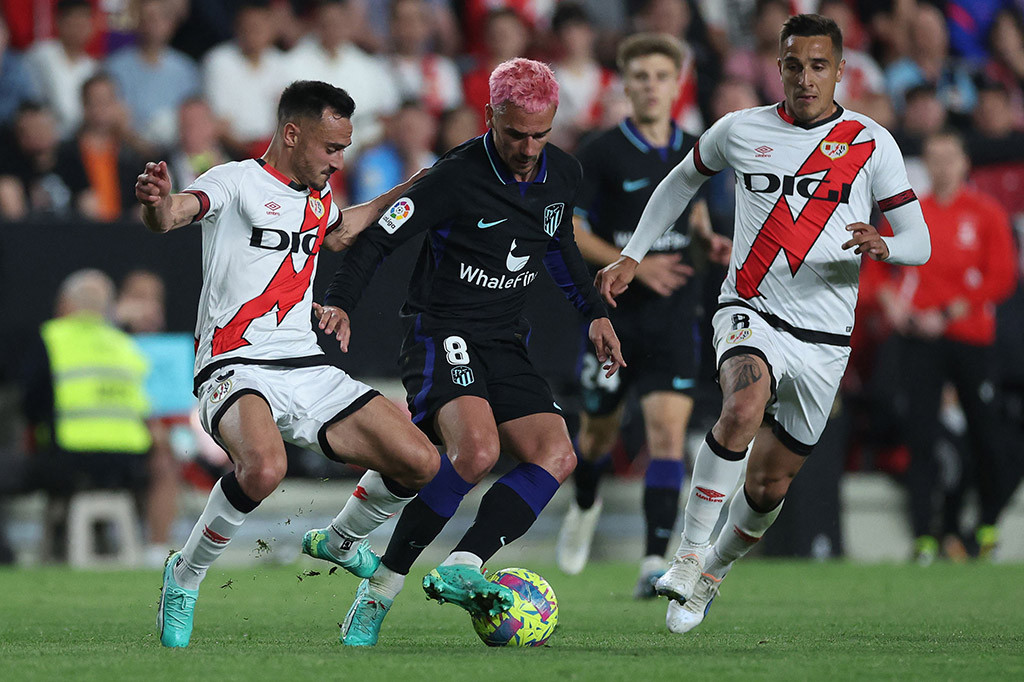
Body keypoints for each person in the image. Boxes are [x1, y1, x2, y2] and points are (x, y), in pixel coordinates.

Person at [597, 14, 931, 634]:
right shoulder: (740, 129)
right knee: (743, 402)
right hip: (752, 310)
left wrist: (886, 244)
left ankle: (712, 572)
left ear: (840, 70)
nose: (806, 77)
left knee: (769, 485)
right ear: (777, 67)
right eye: (794, 64)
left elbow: (921, 240)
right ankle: (688, 553)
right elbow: (679, 183)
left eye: (819, 65)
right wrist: (633, 253)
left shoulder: (870, 141)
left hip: (827, 338)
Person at [318, 57, 625, 647]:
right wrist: (341, 300)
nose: (528, 147)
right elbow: (379, 238)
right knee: (476, 450)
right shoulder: (454, 177)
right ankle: (378, 589)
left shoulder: (561, 173)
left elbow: (558, 247)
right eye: (515, 133)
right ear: (490, 117)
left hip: (505, 338)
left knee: (556, 454)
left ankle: (465, 562)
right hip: (441, 331)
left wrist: (595, 315)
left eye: (541, 133)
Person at [134, 79, 440, 648]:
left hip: (305, 366)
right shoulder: (235, 180)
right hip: (234, 365)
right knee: (265, 468)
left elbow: (350, 225)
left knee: (420, 461)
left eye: (345, 149)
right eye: (331, 148)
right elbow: (177, 212)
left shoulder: (320, 198)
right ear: (292, 133)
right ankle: (185, 574)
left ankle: (343, 540)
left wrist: (419, 185)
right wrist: (157, 204)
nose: (338, 160)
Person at [554, 33, 730, 597]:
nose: (651, 86)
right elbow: (572, 230)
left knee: (667, 434)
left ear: (677, 85)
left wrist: (709, 242)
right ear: (625, 85)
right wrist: (638, 263)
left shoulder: (696, 149)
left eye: (661, 76)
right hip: (615, 317)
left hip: (676, 315)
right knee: (598, 437)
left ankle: (654, 560)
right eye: (641, 77)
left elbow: (696, 214)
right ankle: (584, 502)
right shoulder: (602, 152)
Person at [877, 130, 1018, 562]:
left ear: (964, 162)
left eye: (949, 157)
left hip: (970, 338)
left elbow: (1003, 276)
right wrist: (892, 305)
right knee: (920, 437)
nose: (941, 166)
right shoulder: (910, 212)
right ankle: (924, 537)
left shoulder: (986, 213)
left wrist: (953, 311)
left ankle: (984, 524)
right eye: (933, 157)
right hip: (920, 340)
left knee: (986, 437)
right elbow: (876, 265)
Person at [19, 269, 153, 558]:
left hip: (67, 462)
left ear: (66, 305)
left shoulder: (51, 338)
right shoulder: (126, 345)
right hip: (128, 466)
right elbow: (145, 408)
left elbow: (30, 404)